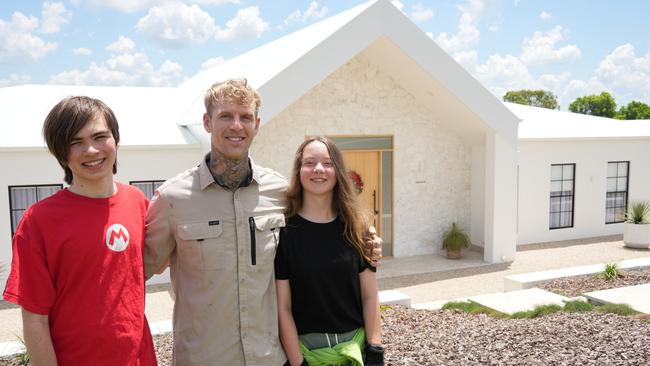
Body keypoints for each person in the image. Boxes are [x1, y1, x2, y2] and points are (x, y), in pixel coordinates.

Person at [144, 79, 381, 365]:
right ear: (207, 122)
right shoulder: (172, 199)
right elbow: (135, 273)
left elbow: (325, 220)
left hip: (269, 357)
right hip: (203, 357)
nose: (236, 126)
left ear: (257, 124)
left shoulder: (280, 192)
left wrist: (366, 237)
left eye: (245, 117)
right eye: (225, 116)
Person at [3, 96, 157, 366]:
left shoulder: (138, 203)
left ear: (116, 141)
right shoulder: (39, 220)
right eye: (75, 142)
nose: (91, 149)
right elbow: (34, 318)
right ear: (60, 153)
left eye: (100, 136)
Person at [275, 137, 384, 366]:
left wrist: (374, 348)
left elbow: (370, 295)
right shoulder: (284, 233)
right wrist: (298, 362)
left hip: (355, 351)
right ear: (299, 170)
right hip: (307, 353)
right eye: (309, 162)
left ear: (338, 172)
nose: (318, 169)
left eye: (327, 163)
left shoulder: (358, 228)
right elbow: (283, 307)